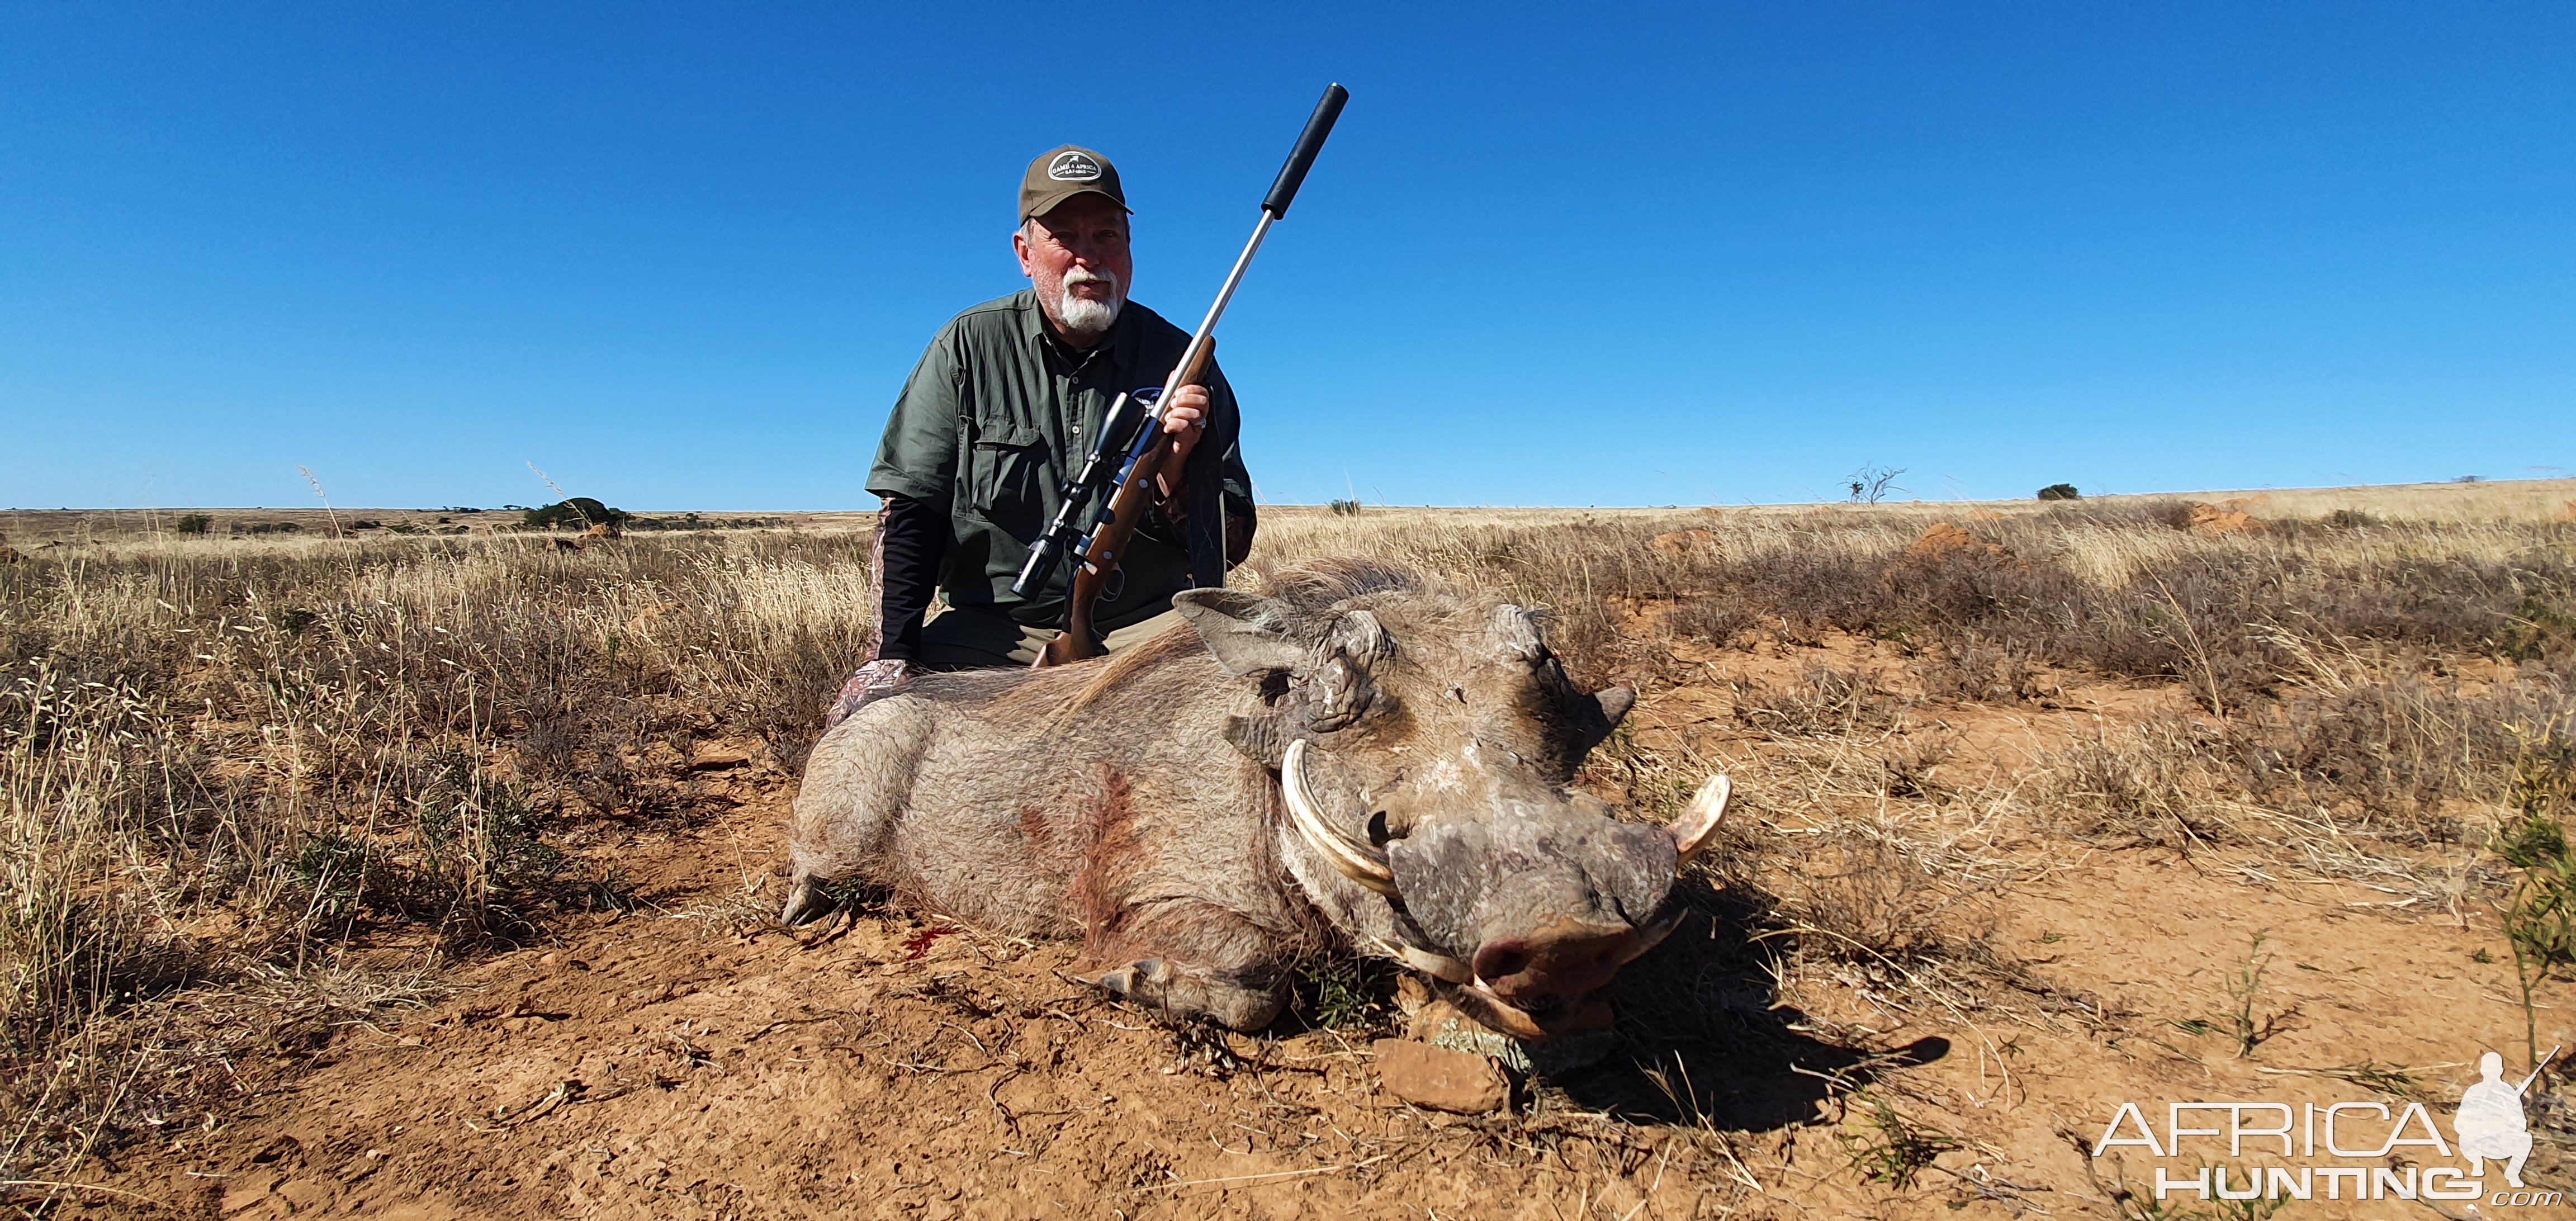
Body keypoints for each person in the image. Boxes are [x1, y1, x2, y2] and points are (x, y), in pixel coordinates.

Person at [825, 145, 1257, 726]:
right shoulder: (967, 347)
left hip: (1150, 623)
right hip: (993, 629)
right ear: (1025, 254)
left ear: (1130, 249)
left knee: (1258, 705)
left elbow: (1232, 544)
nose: (1089, 258)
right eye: (1065, 237)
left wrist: (1176, 483)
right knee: (882, 737)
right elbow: (911, 511)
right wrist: (893, 657)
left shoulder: (1184, 361)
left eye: (1107, 235)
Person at [2454, 1050, 2535, 1189]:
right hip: (2477, 1143)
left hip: (2502, 1143)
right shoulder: (2473, 1092)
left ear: (2501, 1071)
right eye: (2488, 1070)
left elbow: (2521, 1123)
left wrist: (2505, 1125)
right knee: (2464, 1138)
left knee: (2526, 1139)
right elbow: (2460, 1122)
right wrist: (2479, 1125)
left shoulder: (2509, 1093)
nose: (2491, 1074)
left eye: (2494, 1070)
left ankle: (2513, 1173)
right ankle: (2477, 1163)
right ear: (2482, 1071)